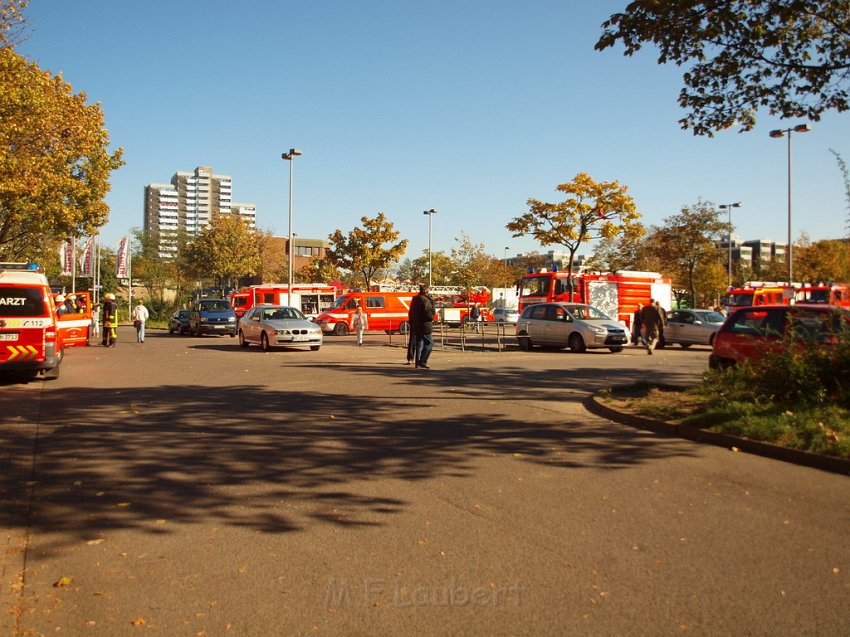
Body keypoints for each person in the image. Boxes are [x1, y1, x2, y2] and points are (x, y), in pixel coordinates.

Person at [409, 284, 436, 369]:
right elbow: (429, 312)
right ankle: (422, 361)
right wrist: (432, 317)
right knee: (429, 343)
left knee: (419, 344)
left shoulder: (415, 299)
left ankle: (417, 362)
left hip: (416, 324)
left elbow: (411, 312)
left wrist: (412, 322)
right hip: (425, 325)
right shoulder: (426, 300)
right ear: (427, 292)